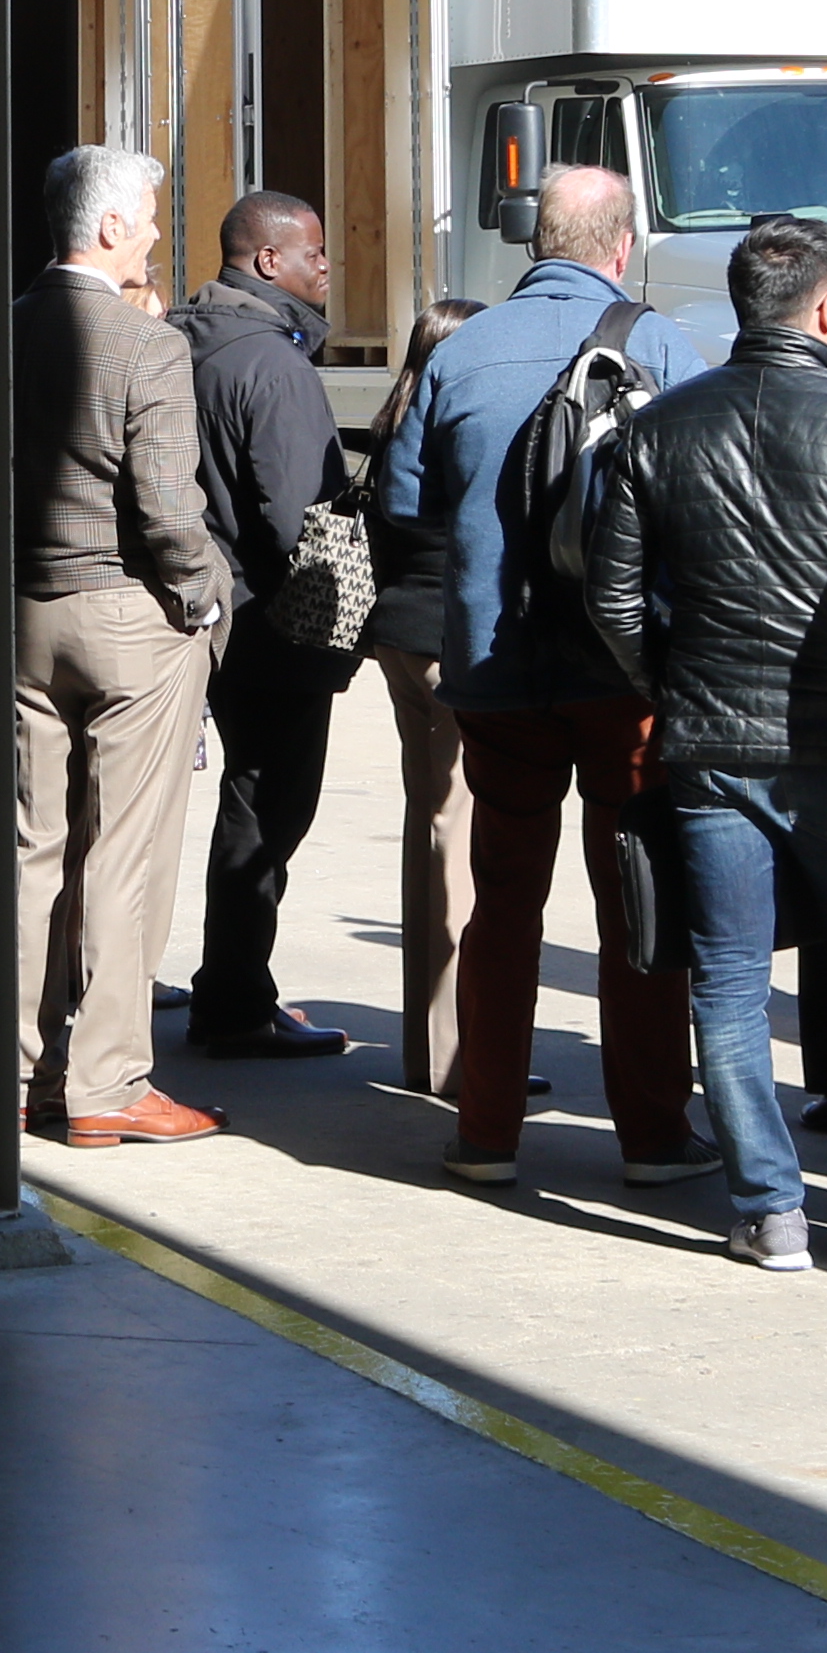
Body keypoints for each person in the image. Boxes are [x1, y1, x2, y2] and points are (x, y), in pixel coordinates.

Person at [579, 215, 827, 1271]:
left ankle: (768, 1206)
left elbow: (612, 599)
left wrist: (669, 682)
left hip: (710, 739)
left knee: (730, 977)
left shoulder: (661, 428)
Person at [374, 164, 720, 1186]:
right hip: (624, 675)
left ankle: (486, 1129)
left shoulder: (464, 346)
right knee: (638, 899)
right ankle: (653, 1134)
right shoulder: (653, 340)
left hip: (496, 667)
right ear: (621, 246)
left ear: (538, 243)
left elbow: (407, 499)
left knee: (503, 896)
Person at [13, 145, 231, 1150]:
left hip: (24, 611)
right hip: (128, 614)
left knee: (35, 844)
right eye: (144, 216)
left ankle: (18, 1069)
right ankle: (107, 1080)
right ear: (105, 227)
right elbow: (169, 513)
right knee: (127, 850)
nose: (152, 230)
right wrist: (204, 596)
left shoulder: (2, 330)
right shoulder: (147, 347)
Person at [172, 191, 364, 1061]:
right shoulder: (275, 367)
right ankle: (237, 1001)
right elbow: (302, 519)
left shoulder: (176, 341)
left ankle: (224, 990)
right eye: (313, 254)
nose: (326, 267)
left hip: (193, 613)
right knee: (263, 813)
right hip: (270, 627)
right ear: (265, 263)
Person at [354, 299, 485, 1096]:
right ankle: (455, 1055)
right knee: (457, 842)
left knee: (428, 829)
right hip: (444, 646)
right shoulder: (452, 430)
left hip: (397, 641)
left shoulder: (393, 418)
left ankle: (428, 1050)